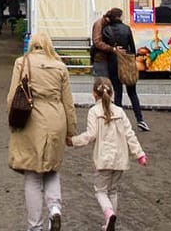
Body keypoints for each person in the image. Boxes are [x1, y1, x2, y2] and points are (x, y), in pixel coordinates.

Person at [8, 30, 76, 231]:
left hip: (31, 120)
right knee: (52, 169)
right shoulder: (60, 67)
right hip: (56, 119)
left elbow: (12, 95)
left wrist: (12, 120)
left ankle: (34, 225)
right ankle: (55, 208)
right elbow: (68, 103)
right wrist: (71, 131)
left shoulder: (22, 63)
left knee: (32, 174)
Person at [69, 76, 148, 231]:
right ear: (112, 94)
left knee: (100, 190)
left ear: (94, 94)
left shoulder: (94, 112)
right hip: (120, 159)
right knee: (113, 190)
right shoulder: (120, 111)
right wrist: (140, 154)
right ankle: (110, 222)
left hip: (104, 159)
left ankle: (109, 214)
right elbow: (129, 134)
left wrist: (73, 141)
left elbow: (90, 135)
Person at [91, 7, 148, 132]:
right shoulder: (126, 29)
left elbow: (101, 45)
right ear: (120, 17)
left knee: (117, 91)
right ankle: (140, 120)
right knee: (132, 92)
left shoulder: (106, 29)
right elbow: (132, 48)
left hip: (113, 62)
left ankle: (117, 120)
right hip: (127, 62)